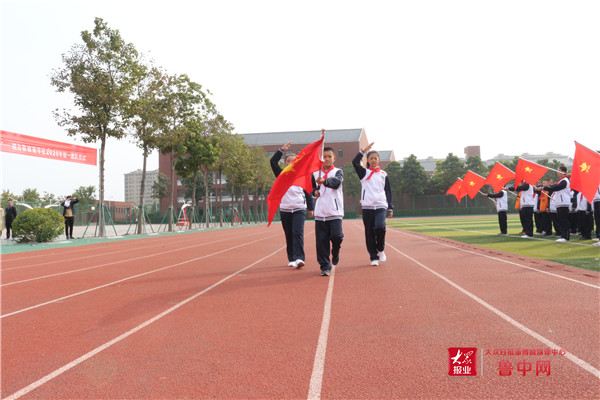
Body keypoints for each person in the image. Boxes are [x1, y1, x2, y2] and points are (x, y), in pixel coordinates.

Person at [270, 142, 314, 268]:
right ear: (285, 164)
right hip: (285, 209)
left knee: (297, 232)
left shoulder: (303, 176)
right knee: (289, 234)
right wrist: (281, 150)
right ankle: (292, 258)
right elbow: (273, 162)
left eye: (293, 161)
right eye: (288, 161)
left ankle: (300, 258)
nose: (291, 163)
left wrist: (311, 208)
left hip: (299, 208)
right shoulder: (281, 175)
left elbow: (308, 192)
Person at [352, 142, 393, 266]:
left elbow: (388, 192)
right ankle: (373, 257)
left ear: (379, 160)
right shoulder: (364, 173)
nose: (373, 160)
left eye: (375, 158)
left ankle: (380, 249)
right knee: (369, 233)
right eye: (371, 158)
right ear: (368, 160)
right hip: (367, 207)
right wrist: (362, 151)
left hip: (380, 205)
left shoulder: (383, 175)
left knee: (380, 227)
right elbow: (354, 162)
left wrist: (390, 207)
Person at [312, 146, 344, 276]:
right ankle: (325, 266)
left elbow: (336, 183)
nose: (326, 159)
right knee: (321, 242)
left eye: (329, 156)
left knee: (337, 236)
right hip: (320, 213)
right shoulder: (315, 173)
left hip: (334, 212)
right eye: (324, 157)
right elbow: (311, 189)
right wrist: (314, 191)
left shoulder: (338, 172)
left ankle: (335, 251)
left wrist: (324, 181)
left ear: (334, 158)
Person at [542, 166, 571, 242]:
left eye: (559, 170)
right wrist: (544, 188)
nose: (557, 172)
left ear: (564, 172)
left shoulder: (564, 180)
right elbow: (555, 186)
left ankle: (565, 237)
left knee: (564, 220)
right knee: (561, 220)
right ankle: (563, 235)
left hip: (563, 202)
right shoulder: (560, 180)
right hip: (559, 203)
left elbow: (557, 187)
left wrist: (545, 188)